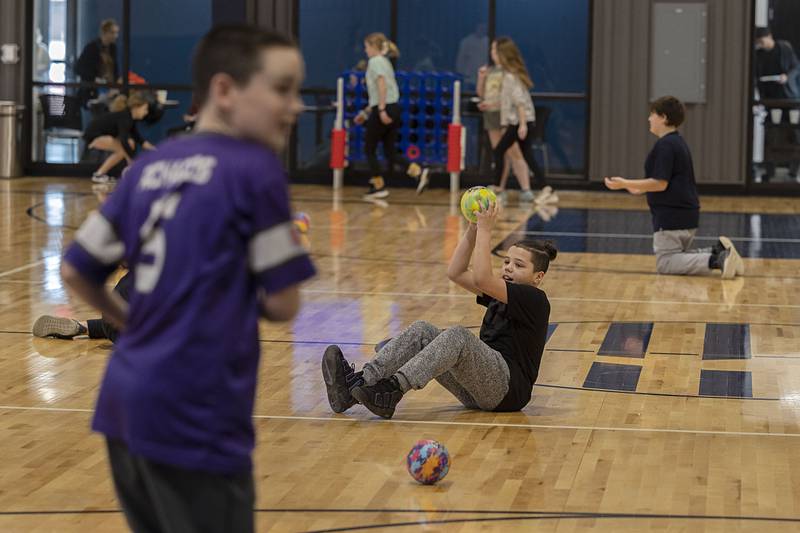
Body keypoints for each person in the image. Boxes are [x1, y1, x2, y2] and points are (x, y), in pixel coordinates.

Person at [60, 25, 315, 532]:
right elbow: (285, 304)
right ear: (224, 91)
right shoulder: (255, 169)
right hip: (196, 412)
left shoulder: (145, 171)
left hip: (123, 406)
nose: (297, 106)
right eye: (282, 89)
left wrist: (128, 324)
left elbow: (75, 269)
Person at [321, 201, 555, 419]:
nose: (509, 268)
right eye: (506, 262)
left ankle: (392, 389)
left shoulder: (534, 299)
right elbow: (455, 271)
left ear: (538, 277)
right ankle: (356, 386)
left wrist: (486, 230)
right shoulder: (502, 293)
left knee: (457, 335)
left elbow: (483, 278)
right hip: (478, 388)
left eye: (519, 265)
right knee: (423, 330)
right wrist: (473, 230)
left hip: (508, 389)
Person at [604, 95, 744, 279]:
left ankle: (716, 259)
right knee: (677, 257)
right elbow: (663, 181)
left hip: (672, 217)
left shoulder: (666, 145)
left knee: (666, 263)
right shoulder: (677, 142)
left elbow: (660, 183)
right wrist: (637, 188)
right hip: (686, 214)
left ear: (663, 118)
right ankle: (718, 251)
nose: (649, 118)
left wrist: (625, 182)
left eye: (652, 114)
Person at [354, 32, 428, 200]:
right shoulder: (386, 62)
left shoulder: (375, 62)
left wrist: (380, 110)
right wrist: (366, 112)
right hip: (394, 107)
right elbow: (380, 91)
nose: (365, 51)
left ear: (373, 47)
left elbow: (381, 85)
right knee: (389, 152)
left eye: (366, 47)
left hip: (385, 108)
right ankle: (417, 171)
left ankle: (378, 186)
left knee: (369, 148)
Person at [491, 37, 555, 204]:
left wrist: (522, 125)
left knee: (499, 151)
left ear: (502, 54)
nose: (493, 55)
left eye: (495, 51)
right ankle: (547, 188)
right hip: (520, 122)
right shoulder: (509, 75)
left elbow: (520, 103)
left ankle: (498, 188)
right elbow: (509, 101)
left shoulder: (511, 77)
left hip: (519, 123)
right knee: (527, 155)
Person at [477, 40, 524, 205]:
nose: (492, 52)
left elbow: (511, 99)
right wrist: (481, 78)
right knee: (499, 153)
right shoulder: (490, 71)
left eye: (495, 50)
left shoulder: (509, 73)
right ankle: (499, 188)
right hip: (490, 115)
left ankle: (526, 189)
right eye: (491, 49)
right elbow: (481, 93)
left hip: (506, 116)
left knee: (513, 153)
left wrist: (494, 105)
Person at [83, 92, 155, 183]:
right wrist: (132, 160)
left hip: (101, 136)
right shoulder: (125, 118)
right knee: (124, 148)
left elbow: (139, 139)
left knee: (129, 144)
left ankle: (99, 174)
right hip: (93, 136)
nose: (146, 112)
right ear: (136, 107)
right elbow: (123, 140)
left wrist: (155, 150)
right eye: (145, 109)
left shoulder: (130, 119)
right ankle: (99, 174)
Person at [75, 19, 120, 106]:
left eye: (116, 32)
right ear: (104, 32)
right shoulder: (92, 48)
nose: (116, 36)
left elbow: (114, 68)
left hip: (108, 88)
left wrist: (116, 84)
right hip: (94, 90)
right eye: (112, 32)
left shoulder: (113, 48)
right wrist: (95, 79)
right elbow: (78, 68)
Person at [754, 27, 799, 100]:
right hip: (768, 94)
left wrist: (787, 76)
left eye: (761, 41)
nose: (760, 44)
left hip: (787, 92)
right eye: (757, 42)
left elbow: (796, 67)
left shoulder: (784, 48)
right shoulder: (759, 54)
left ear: (769, 36)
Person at [456, 23, 489, 88]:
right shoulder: (466, 42)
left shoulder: (488, 42)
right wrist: (461, 73)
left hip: (484, 77)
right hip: (469, 77)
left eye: (484, 29)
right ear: (476, 28)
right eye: (480, 28)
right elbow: (460, 59)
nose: (482, 30)